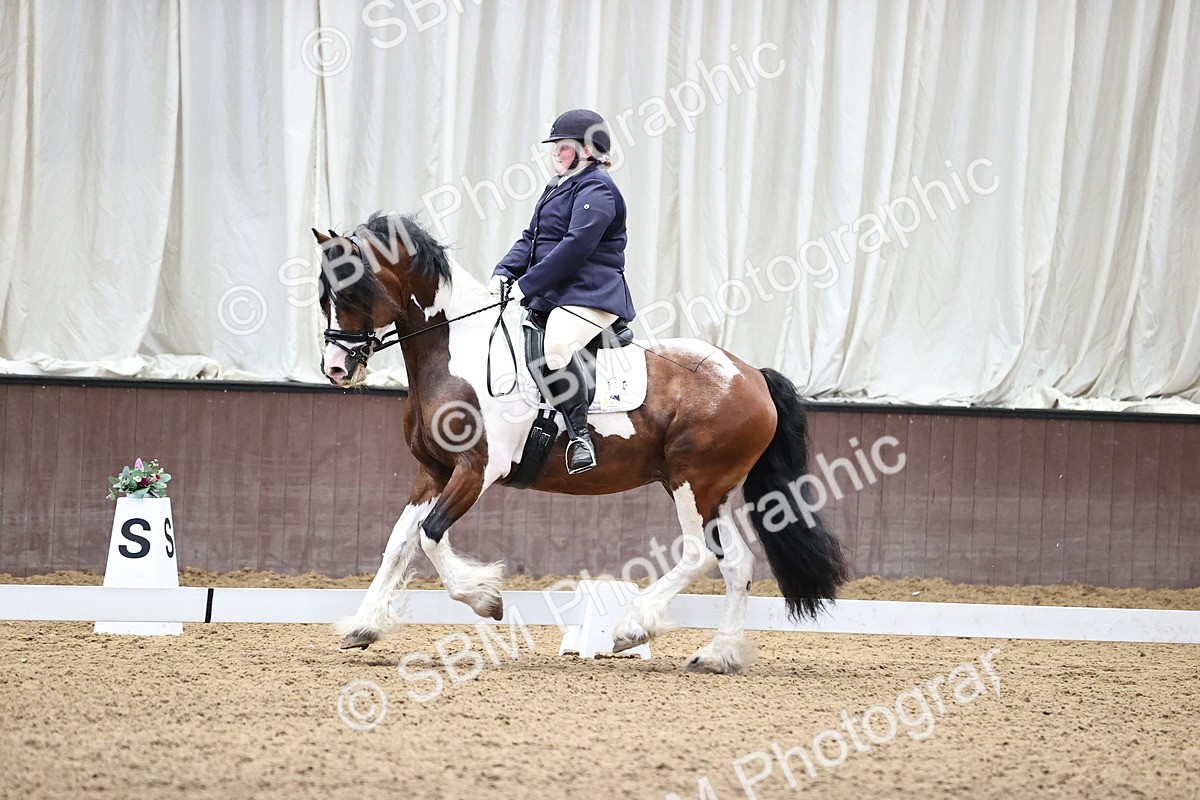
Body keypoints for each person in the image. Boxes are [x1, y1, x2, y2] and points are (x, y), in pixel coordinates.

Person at [490, 108, 636, 474]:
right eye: (554, 146)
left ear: (587, 151)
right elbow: (533, 238)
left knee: (555, 345)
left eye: (563, 146)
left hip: (591, 294)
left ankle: (580, 436)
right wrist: (505, 271)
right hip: (556, 294)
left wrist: (526, 284)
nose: (555, 152)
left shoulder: (598, 189)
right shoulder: (558, 187)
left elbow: (575, 247)